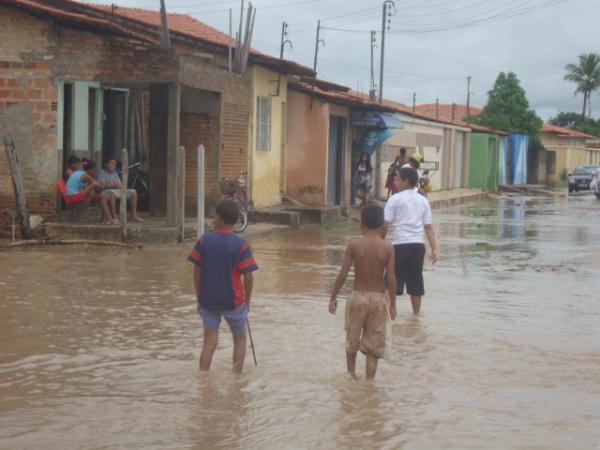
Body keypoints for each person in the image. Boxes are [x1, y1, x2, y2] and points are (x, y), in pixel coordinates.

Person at [188, 199, 258, 374]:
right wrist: (247, 302)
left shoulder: (204, 241)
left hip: (208, 300)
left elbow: (197, 272)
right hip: (234, 302)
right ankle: (237, 380)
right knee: (240, 339)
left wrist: (200, 298)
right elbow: (248, 276)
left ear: (217, 218)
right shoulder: (242, 245)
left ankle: (203, 379)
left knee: (209, 343)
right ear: (236, 221)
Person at [329, 204, 397, 380]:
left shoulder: (354, 245)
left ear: (362, 225)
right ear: (382, 224)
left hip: (357, 297)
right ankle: (369, 384)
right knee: (373, 347)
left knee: (352, 340)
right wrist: (393, 305)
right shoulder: (388, 248)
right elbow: (391, 279)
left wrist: (333, 297)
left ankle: (351, 376)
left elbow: (343, 274)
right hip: (379, 300)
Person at [384, 167, 438, 315]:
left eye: (397, 179)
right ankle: (416, 317)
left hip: (399, 246)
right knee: (416, 282)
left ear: (405, 181)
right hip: (417, 247)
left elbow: (385, 224)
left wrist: (380, 244)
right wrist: (434, 249)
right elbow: (428, 227)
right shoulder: (423, 201)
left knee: (391, 280)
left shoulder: (394, 199)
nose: (394, 182)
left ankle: (389, 313)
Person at [65, 160, 118, 225]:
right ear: (91, 169)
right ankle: (109, 220)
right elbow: (96, 184)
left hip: (71, 196)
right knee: (97, 188)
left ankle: (105, 219)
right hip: (74, 196)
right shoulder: (85, 175)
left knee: (102, 196)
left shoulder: (79, 172)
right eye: (94, 170)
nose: (94, 172)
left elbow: (81, 189)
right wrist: (101, 187)